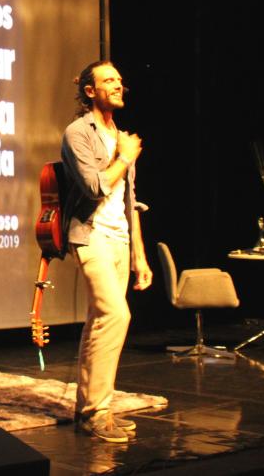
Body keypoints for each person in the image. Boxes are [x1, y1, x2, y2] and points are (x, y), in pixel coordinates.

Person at [61, 60, 153, 443]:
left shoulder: (121, 135)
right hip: (91, 235)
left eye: (119, 79)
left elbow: (130, 201)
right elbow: (94, 187)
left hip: (119, 239)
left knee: (99, 321)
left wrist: (139, 256)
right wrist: (125, 157)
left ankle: (92, 409)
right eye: (108, 80)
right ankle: (97, 412)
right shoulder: (78, 133)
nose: (118, 85)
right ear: (90, 91)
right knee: (116, 315)